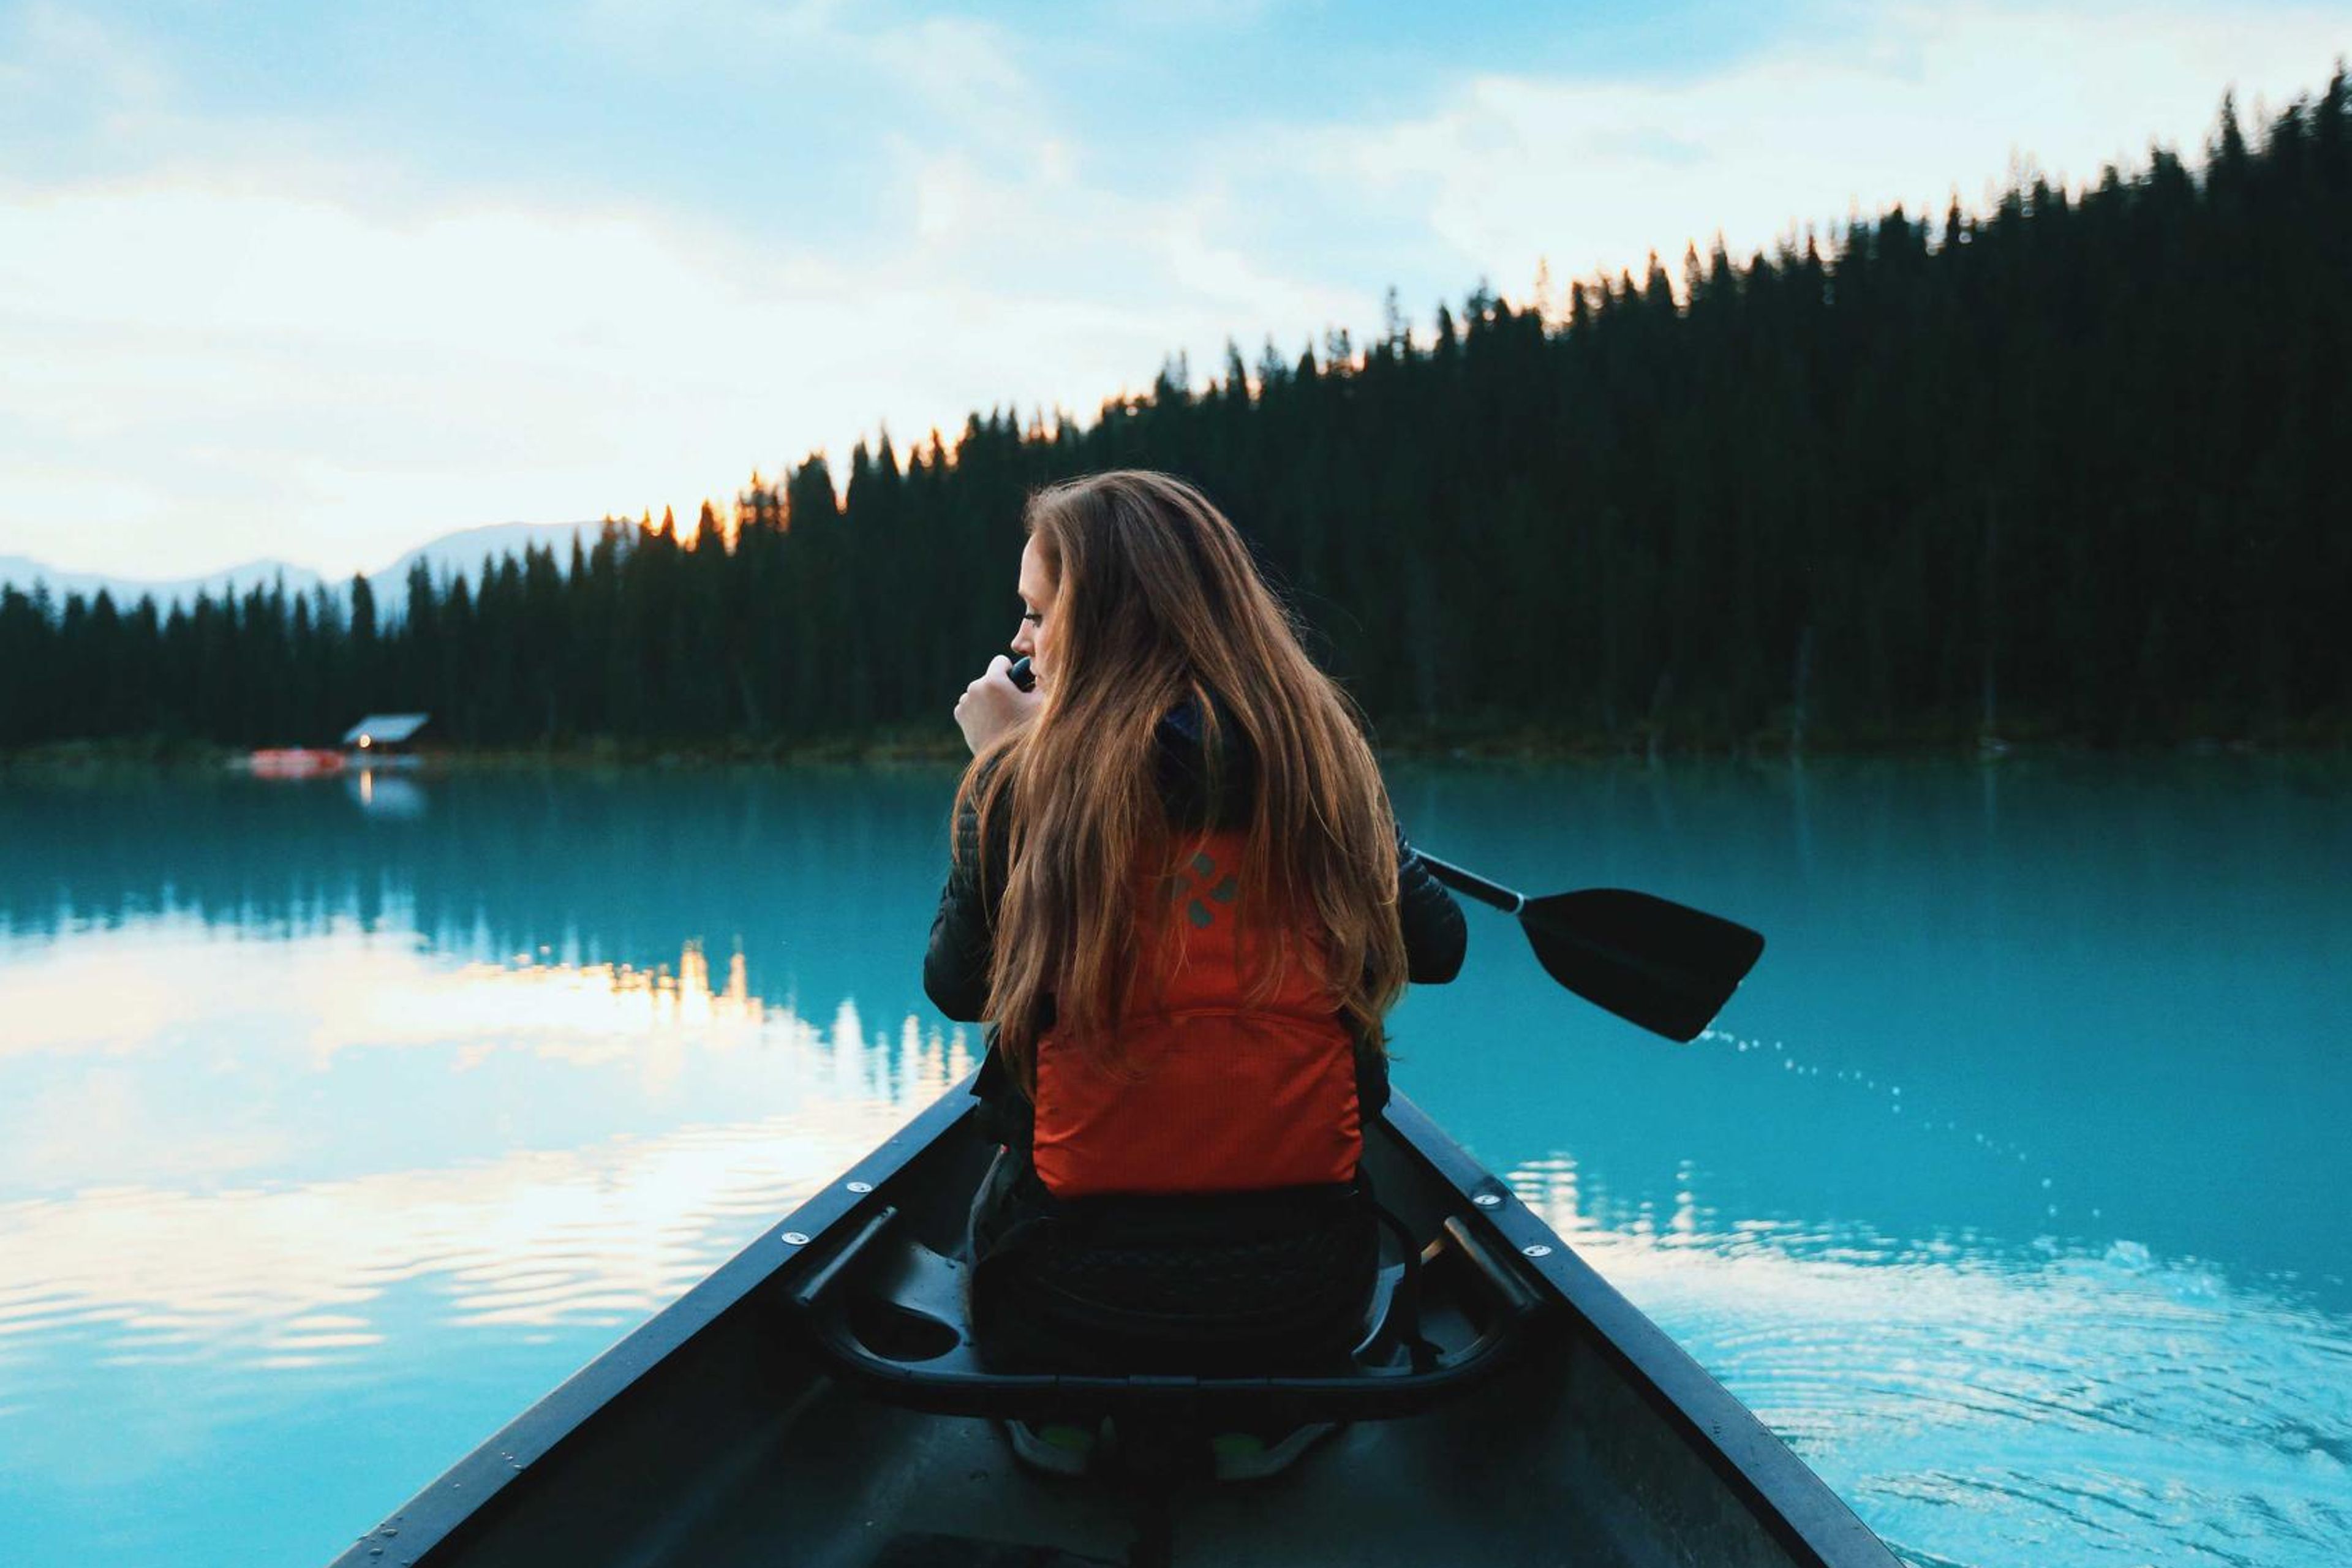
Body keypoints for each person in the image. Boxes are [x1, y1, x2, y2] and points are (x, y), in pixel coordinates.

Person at [924, 470, 1464, 1381]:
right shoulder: (1319, 761)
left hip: (1067, 1301)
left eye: (1038, 613)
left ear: (1102, 625)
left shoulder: (1025, 782)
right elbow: (1437, 948)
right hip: (1306, 1299)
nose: (1019, 643)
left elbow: (957, 987)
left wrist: (1004, 769)